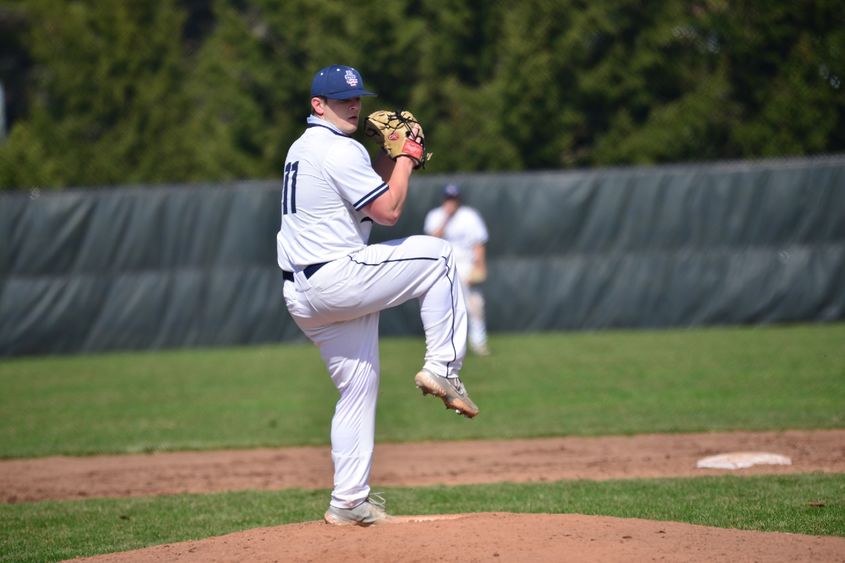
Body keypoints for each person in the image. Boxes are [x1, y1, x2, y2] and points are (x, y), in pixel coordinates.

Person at [276, 65, 479, 527]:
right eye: (341, 99)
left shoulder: (303, 148)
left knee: (358, 388)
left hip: (303, 292)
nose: (353, 105)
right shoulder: (339, 150)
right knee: (441, 258)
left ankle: (348, 502)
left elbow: (372, 194)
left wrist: (392, 159)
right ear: (317, 105)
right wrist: (406, 156)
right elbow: (388, 211)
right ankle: (443, 368)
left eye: (356, 97)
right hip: (335, 277)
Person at [424, 184, 491, 356]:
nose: (451, 202)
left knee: (475, 305)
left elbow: (478, 242)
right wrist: (446, 217)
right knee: (445, 307)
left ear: (458, 200)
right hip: (443, 265)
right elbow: (431, 241)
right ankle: (448, 347)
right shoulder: (435, 216)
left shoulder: (469, 216)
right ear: (443, 199)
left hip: (466, 264)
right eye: (448, 199)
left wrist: (480, 264)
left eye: (453, 199)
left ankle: (479, 343)